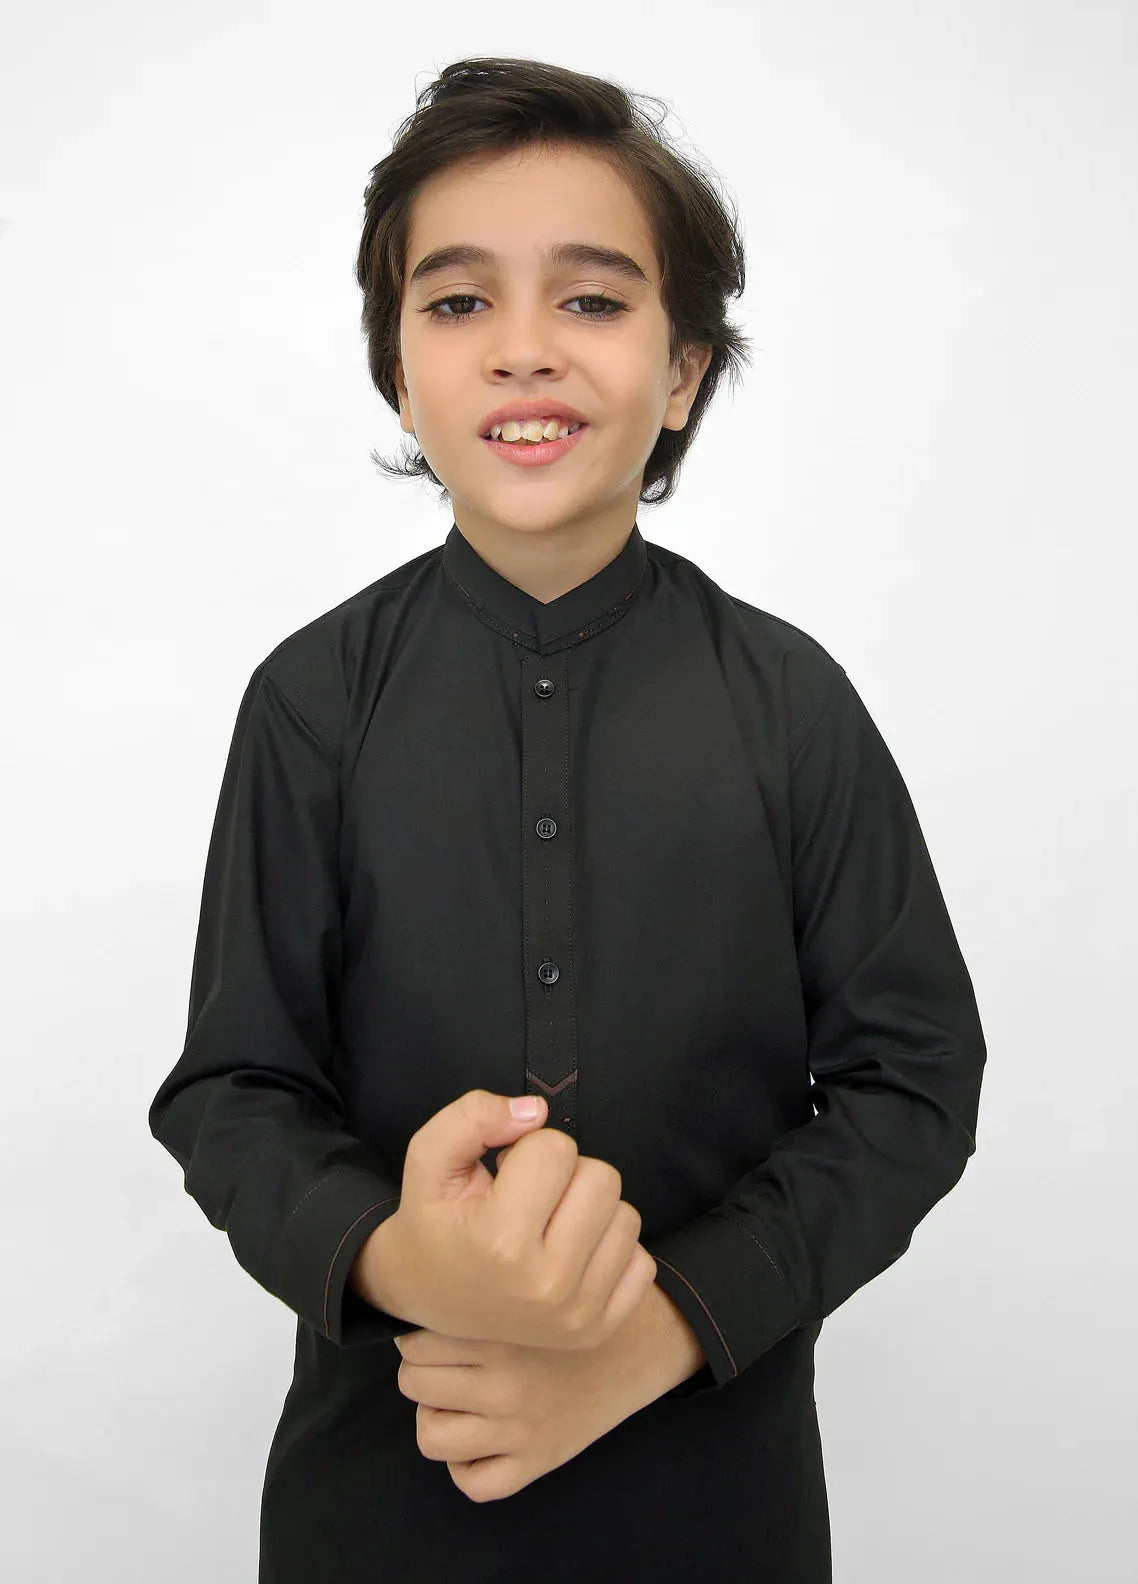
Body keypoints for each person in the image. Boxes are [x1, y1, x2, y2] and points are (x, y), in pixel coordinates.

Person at [148, 54, 987, 1584]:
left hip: (717, 1504)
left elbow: (912, 1080)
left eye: (592, 300)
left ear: (681, 374)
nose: (523, 349)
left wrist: (655, 1330)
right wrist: (407, 1258)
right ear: (397, 369)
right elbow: (232, 1091)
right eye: (459, 302)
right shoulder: (311, 702)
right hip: (379, 1498)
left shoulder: (791, 704)